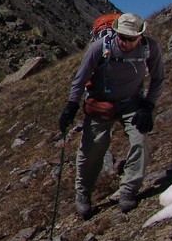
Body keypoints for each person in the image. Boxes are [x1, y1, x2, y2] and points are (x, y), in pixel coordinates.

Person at [57, 12, 165, 218]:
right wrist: (71, 105)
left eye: (130, 39)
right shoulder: (100, 47)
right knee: (92, 151)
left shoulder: (150, 48)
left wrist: (148, 106)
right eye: (121, 37)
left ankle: (128, 191)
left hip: (133, 103)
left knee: (139, 142)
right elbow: (80, 79)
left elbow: (158, 78)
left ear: (140, 37)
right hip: (100, 104)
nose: (124, 42)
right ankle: (83, 195)